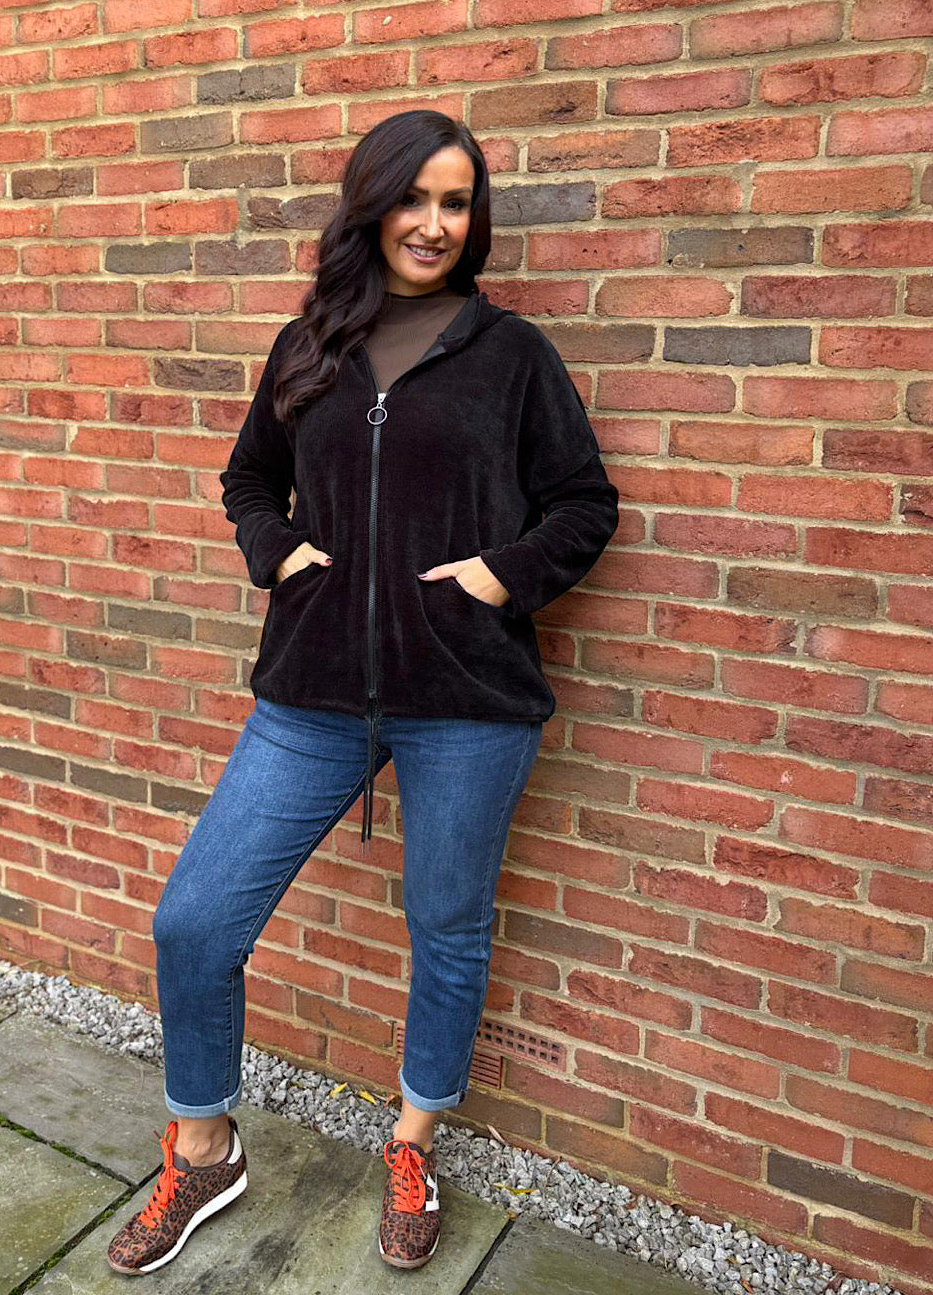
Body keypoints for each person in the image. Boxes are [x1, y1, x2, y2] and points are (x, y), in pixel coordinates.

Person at [106, 109, 620, 1277]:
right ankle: (203, 1151)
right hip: (314, 694)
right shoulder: (310, 345)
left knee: (445, 926)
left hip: (467, 700)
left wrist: (499, 576)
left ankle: (413, 1143)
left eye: (456, 203)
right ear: (371, 206)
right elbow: (248, 479)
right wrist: (276, 550)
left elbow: (585, 504)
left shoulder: (513, 356)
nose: (434, 224)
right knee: (195, 921)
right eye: (413, 199)